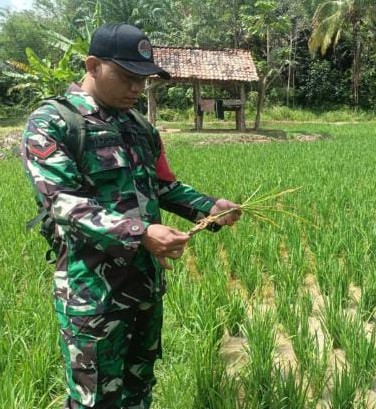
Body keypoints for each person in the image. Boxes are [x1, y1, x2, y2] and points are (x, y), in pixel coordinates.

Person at [21, 23, 241, 408]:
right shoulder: (53, 124)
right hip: (93, 296)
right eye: (127, 76)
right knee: (96, 399)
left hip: (144, 289)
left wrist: (208, 206)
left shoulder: (140, 128)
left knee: (139, 391)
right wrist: (140, 233)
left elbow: (161, 186)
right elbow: (63, 202)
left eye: (144, 78)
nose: (137, 87)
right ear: (92, 65)